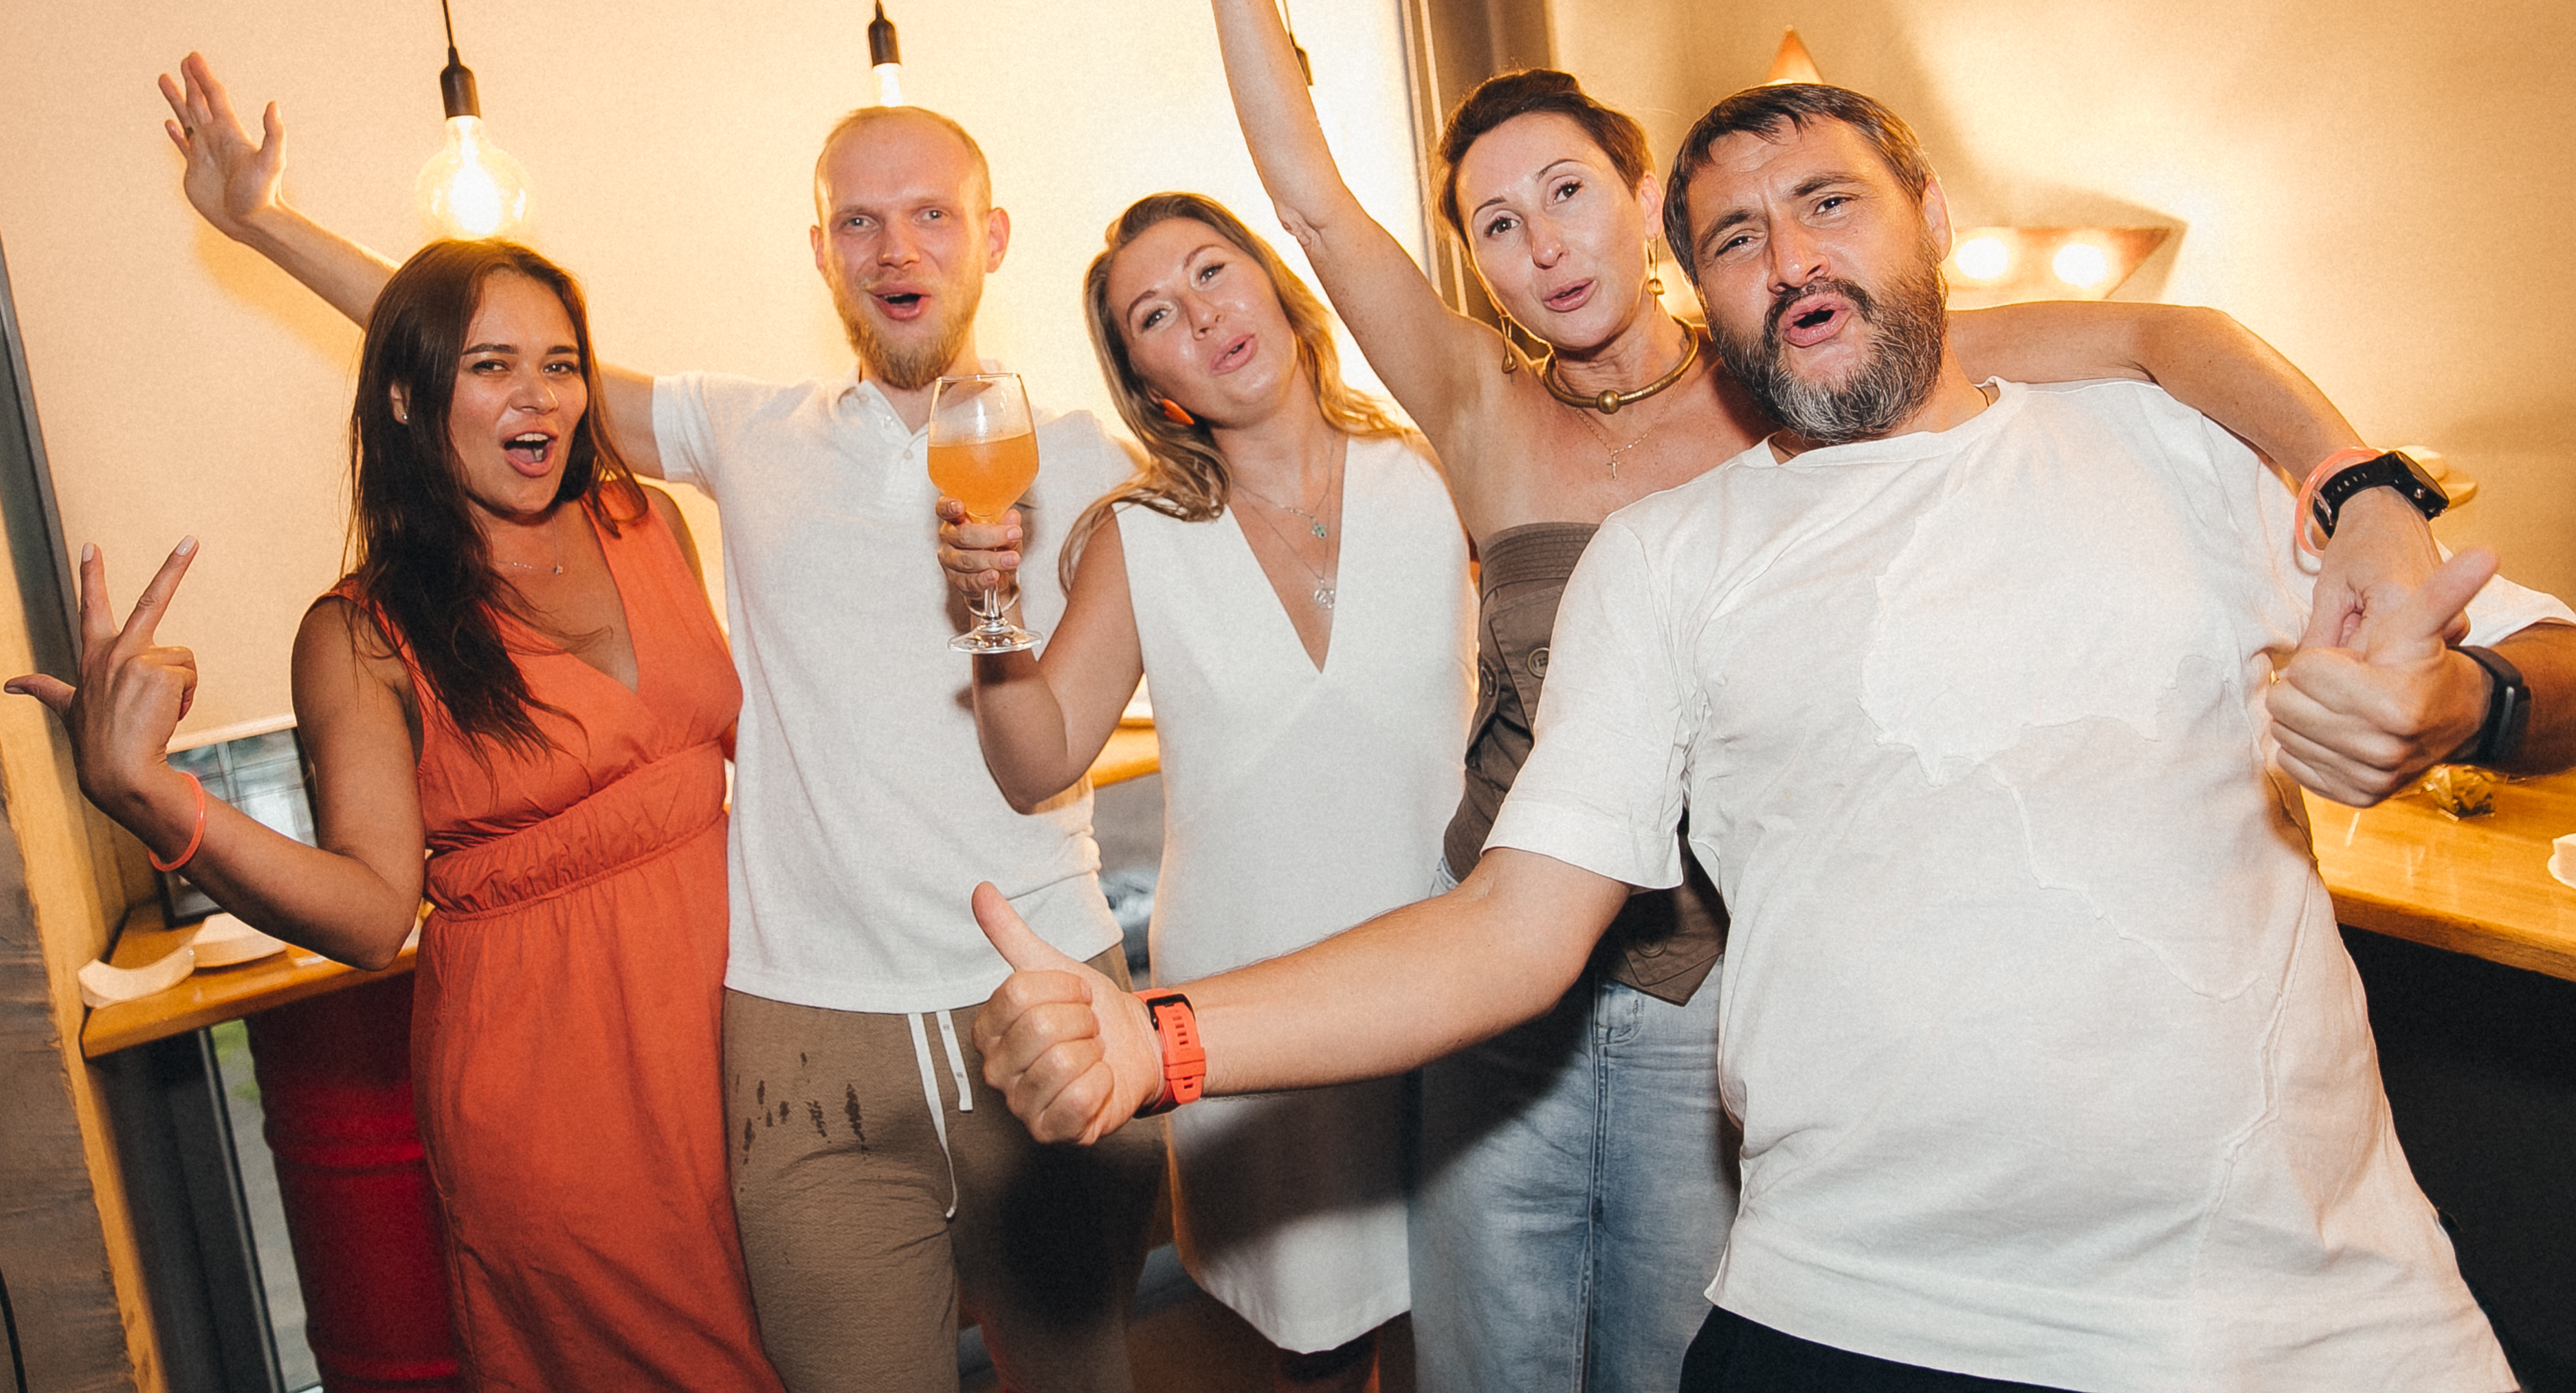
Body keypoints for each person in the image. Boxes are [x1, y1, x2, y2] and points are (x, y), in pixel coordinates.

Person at [1122, 0, 2447, 1389]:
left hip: (1718, 988)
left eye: (1569, 193)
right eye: (1496, 224)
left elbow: (2167, 336)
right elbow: (1312, 204)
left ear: (1644, 207)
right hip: (1504, 978)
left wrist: (2359, 485)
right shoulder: (1477, 408)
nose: (1545, 244)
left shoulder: (1789, 372)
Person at [968, 81, 2576, 1392]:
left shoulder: (2159, 438)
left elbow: (2535, 660)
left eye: (1828, 203)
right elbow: (1512, 929)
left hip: (2281, 1311)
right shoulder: (1666, 559)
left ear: (1929, 216)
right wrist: (1156, 1042)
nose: (1789, 255)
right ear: (1709, 286)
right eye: (1738, 236)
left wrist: (2467, 694)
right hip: (1851, 1305)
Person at [155, 55, 1162, 1393]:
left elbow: (1130, 676)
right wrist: (265, 225)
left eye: (932, 214)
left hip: (1042, 984)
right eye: (859, 220)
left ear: (994, 237)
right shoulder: (749, 434)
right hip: (808, 1025)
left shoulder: (1088, 460)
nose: (896, 248)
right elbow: (480, 362)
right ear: (820, 251)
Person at [10, 239, 782, 1391]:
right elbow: (373, 914)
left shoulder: (648, 523)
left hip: (755, 1037)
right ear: (410, 399)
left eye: (560, 363)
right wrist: (152, 794)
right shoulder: (361, 633)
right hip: (559, 1092)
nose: (539, 395)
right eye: (491, 366)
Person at [939, 192, 1472, 1392]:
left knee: (1484, 1317)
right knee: (1324, 1342)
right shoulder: (1142, 537)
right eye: (1155, 315)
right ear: (1151, 383)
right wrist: (990, 609)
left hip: (1454, 966)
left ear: (1275, 282)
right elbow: (1036, 760)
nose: (1201, 315)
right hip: (1254, 991)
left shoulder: (1434, 471)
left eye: (1212, 272)